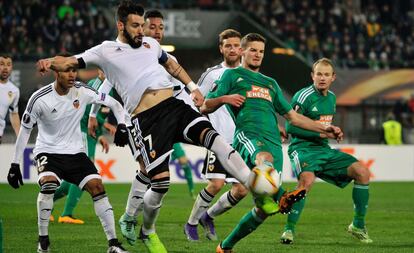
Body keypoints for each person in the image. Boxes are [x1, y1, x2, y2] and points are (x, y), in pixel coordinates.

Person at [36, 2, 274, 252]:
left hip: (174, 106)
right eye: (136, 26)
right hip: (146, 119)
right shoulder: (106, 50)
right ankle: (147, 232)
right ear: (121, 25)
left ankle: (258, 190)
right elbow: (70, 61)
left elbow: (171, 65)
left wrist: (193, 88)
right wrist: (50, 61)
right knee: (160, 183)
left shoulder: (152, 45)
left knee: (215, 140)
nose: (142, 30)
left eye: (143, 25)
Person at [198, 33, 343, 253]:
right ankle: (282, 195)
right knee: (263, 161)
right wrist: (225, 99)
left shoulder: (270, 83)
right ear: (242, 51)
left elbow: (293, 117)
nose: (257, 55)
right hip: (249, 135)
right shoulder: (232, 76)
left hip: (274, 142)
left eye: (261, 51)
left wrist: (325, 128)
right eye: (253, 50)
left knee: (265, 210)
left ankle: (225, 246)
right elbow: (205, 106)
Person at [6, 55, 129, 253]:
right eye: (67, 71)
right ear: (57, 73)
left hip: (75, 152)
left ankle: (113, 244)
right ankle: (43, 241)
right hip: (48, 151)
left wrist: (122, 125)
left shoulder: (83, 91)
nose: (72, 75)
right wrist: (14, 164)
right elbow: (25, 131)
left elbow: (116, 104)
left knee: (97, 186)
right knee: (48, 185)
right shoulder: (39, 99)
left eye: (74, 70)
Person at [114, 9, 196, 246]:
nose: (157, 32)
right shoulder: (128, 53)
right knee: (148, 170)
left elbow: (179, 90)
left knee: (154, 174)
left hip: (166, 122)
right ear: (141, 28)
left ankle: (134, 219)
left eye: (161, 28)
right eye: (152, 27)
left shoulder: (167, 59)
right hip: (138, 121)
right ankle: (130, 218)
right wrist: (101, 116)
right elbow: (106, 82)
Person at [280, 58, 373, 245]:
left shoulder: (331, 98)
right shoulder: (304, 96)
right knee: (306, 181)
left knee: (362, 172)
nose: (322, 78)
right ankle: (288, 230)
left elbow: (325, 126)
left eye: (326, 74)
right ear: (312, 76)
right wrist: (324, 132)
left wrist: (333, 130)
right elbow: (291, 128)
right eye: (319, 74)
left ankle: (357, 225)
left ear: (333, 78)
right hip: (303, 148)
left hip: (323, 149)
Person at [184, 28, 247, 242]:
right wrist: (223, 99)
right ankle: (191, 223)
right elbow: (200, 104)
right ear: (221, 48)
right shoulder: (212, 75)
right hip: (218, 138)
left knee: (242, 190)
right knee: (217, 184)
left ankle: (208, 217)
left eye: (236, 45)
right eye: (227, 45)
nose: (232, 49)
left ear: (242, 48)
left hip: (241, 141)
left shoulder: (248, 74)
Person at [51, 69, 115, 225]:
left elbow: (94, 114)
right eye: (104, 68)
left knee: (74, 177)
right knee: (84, 173)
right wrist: (105, 124)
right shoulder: (97, 85)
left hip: (88, 133)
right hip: (82, 132)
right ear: (100, 69)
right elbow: (87, 111)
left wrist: (99, 135)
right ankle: (66, 214)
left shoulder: (105, 86)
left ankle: (47, 201)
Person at [0, 54, 20, 144]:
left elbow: (14, 113)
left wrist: (20, 137)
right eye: (2, 64)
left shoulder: (14, 91)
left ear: (11, 68)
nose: (5, 67)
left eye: (8, 65)